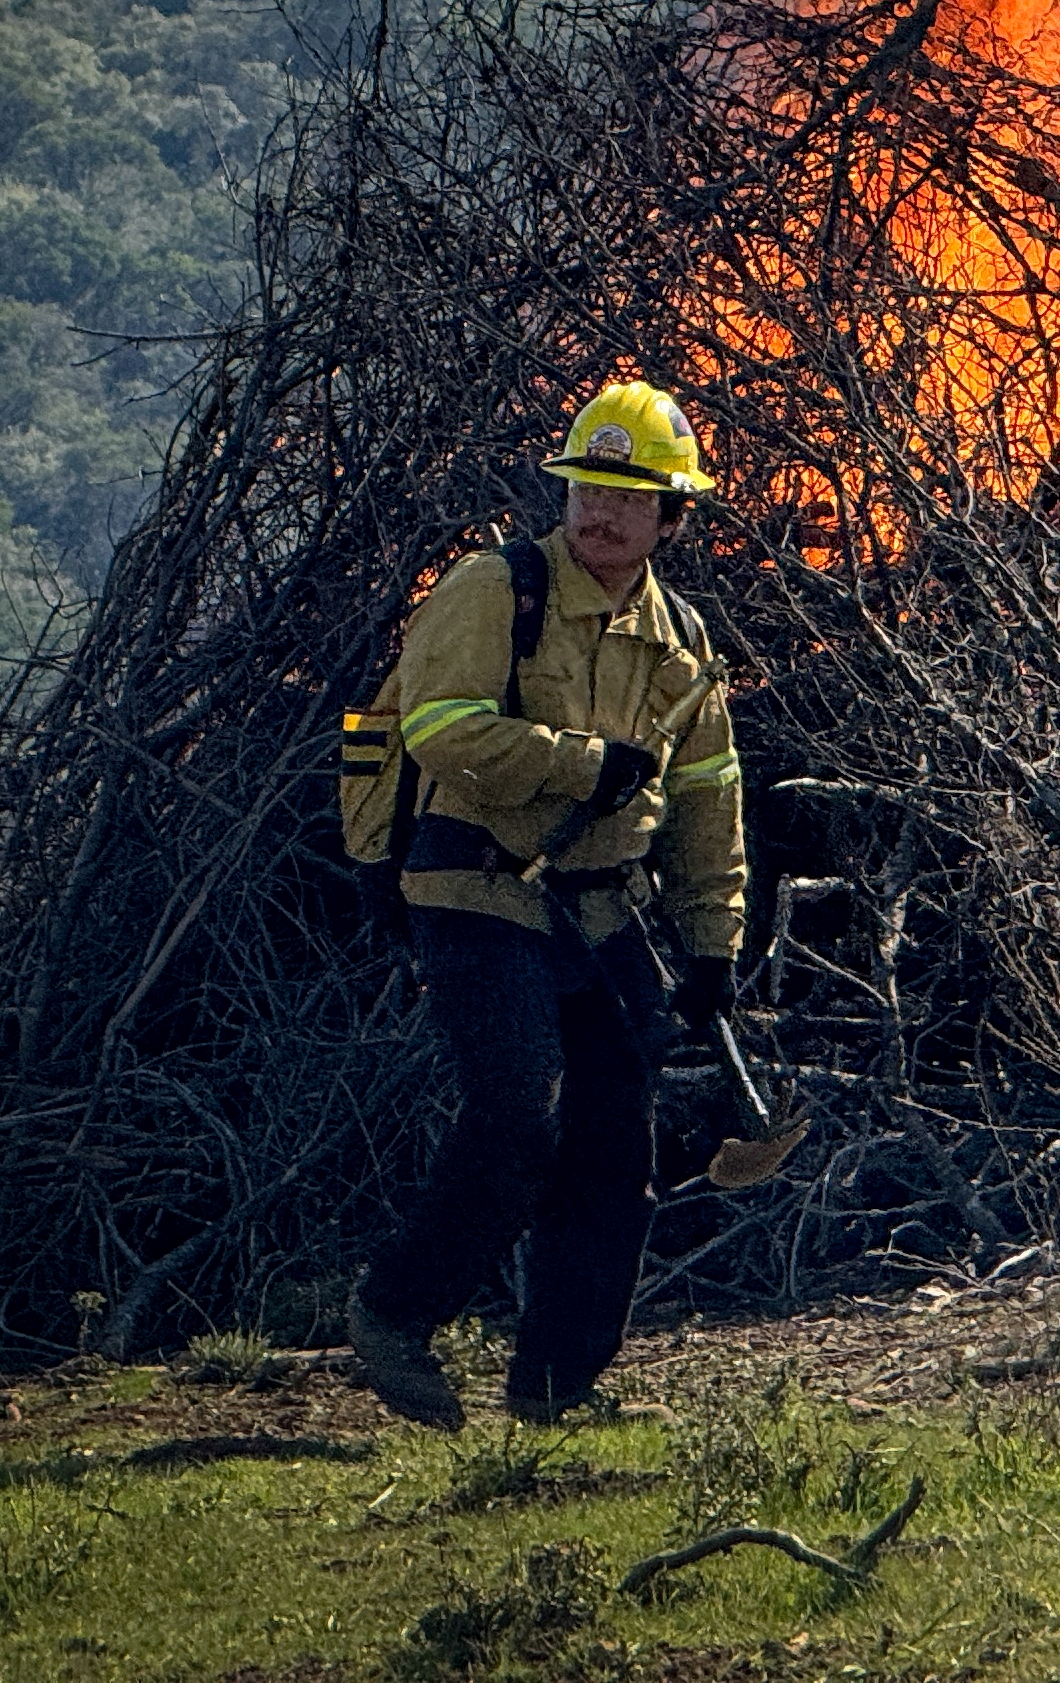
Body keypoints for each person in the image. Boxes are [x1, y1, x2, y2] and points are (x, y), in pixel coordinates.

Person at [345, 381, 746, 1428]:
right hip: (472, 884)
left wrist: (712, 944)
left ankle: (554, 1389)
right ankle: (394, 1314)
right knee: (516, 1113)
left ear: (672, 517)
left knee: (617, 1145)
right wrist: (577, 765)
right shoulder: (494, 589)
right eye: (584, 488)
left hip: (600, 912)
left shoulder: (682, 641)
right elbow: (438, 729)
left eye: (627, 495)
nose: (599, 512)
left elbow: (708, 798)